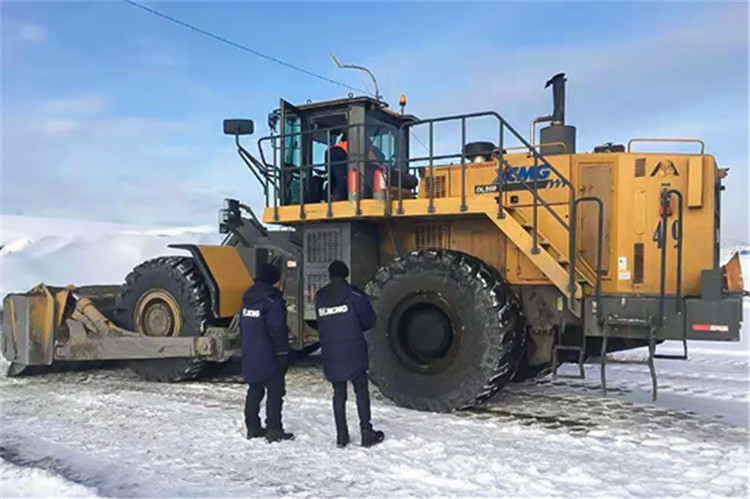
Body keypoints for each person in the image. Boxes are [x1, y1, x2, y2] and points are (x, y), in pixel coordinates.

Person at [314, 260, 385, 448]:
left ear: (330, 275)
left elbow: (320, 322)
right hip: (353, 350)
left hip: (331, 351)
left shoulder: (320, 296)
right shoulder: (354, 294)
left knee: (339, 393)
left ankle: (341, 435)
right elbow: (369, 320)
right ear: (346, 274)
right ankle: (366, 432)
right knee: (361, 391)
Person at [239, 263, 294, 443]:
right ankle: (274, 429)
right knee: (275, 391)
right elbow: (277, 329)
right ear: (274, 280)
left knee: (255, 389)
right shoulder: (272, 302)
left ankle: (253, 427)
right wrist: (283, 353)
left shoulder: (248, 299)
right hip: (269, 354)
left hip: (250, 351)